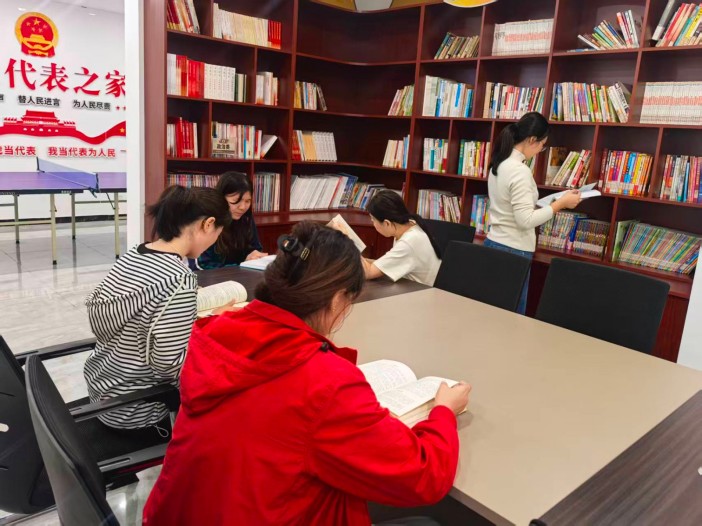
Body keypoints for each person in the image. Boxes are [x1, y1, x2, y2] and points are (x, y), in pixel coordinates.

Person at [143, 221, 471, 526]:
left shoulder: (216, 333)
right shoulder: (325, 382)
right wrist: (443, 411)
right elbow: (423, 477)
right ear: (338, 298)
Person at [84, 185, 230, 433]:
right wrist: (211, 331)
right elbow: (170, 367)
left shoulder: (137, 253)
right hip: (140, 410)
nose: (215, 241)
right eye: (219, 233)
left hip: (105, 392)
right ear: (208, 224)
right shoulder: (179, 279)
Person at [486, 112, 581, 314]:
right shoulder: (519, 171)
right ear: (531, 140)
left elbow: (512, 208)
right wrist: (560, 204)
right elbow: (525, 220)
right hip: (513, 250)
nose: (540, 151)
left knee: (491, 315)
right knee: (510, 319)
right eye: (542, 145)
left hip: (493, 243)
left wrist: (551, 203)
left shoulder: (500, 163)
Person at [362, 190, 442, 286]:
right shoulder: (409, 224)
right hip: (413, 287)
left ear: (387, 223)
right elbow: (385, 264)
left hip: (421, 292)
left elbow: (368, 273)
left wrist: (351, 248)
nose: (373, 223)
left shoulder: (408, 243)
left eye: (373, 220)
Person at [194, 171, 268, 269]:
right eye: (235, 201)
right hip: (213, 277)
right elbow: (203, 265)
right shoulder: (208, 220)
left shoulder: (246, 218)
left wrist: (256, 257)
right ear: (221, 198)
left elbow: (255, 249)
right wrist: (242, 265)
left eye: (247, 201)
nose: (242, 207)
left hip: (243, 274)